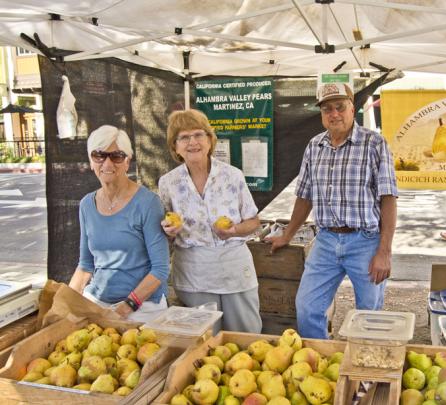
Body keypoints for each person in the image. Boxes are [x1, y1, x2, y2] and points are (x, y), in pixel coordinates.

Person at [267, 83, 398, 339]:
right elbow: (304, 197)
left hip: (365, 242)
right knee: (307, 307)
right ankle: (319, 364)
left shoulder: (374, 144)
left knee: (368, 315)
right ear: (321, 114)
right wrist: (286, 235)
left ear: (352, 108)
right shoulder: (314, 146)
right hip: (326, 241)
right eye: (327, 109)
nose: (334, 114)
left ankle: (362, 374)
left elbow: (388, 200)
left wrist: (384, 252)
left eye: (340, 107)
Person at [158, 109, 262, 333]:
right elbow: (164, 230)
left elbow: (254, 221)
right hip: (194, 273)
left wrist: (234, 230)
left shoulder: (232, 176)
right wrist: (169, 230)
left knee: (246, 338)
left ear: (209, 139)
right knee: (204, 344)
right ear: (175, 146)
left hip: (234, 270)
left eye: (198, 135)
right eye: (184, 137)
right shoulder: (168, 183)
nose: (192, 142)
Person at [69, 125, 170, 322]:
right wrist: (66, 305)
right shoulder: (86, 205)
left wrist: (125, 308)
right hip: (98, 300)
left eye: (116, 156)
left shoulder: (148, 203)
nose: (107, 163)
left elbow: (160, 269)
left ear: (127, 162)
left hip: (142, 305)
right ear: (91, 161)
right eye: (99, 155)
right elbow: (85, 265)